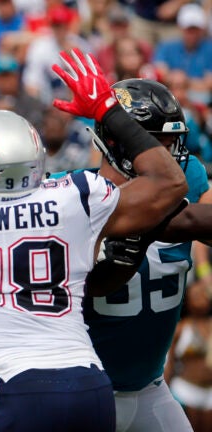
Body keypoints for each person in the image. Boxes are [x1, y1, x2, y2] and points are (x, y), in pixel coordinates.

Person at [0, 49, 189, 430]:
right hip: (90, 383)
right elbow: (170, 183)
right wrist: (108, 110)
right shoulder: (74, 195)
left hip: (12, 387)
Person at [73, 78, 212, 432]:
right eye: (154, 144)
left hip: (150, 388)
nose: (168, 158)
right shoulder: (70, 194)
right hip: (86, 391)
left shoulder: (190, 177)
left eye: (171, 143)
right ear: (115, 144)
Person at [165, 279, 212, 431]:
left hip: (209, 394)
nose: (201, 297)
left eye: (204, 293)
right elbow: (169, 362)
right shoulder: (180, 328)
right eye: (196, 294)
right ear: (187, 299)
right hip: (185, 392)